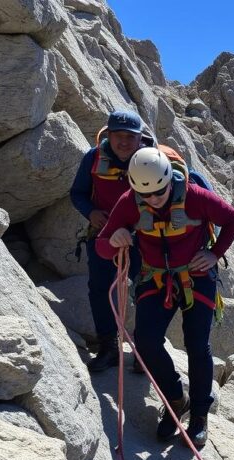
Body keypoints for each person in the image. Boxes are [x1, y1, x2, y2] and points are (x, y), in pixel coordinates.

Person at [96, 147, 234, 448]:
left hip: (197, 276)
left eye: (159, 192)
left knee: (197, 345)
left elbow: (233, 219)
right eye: (145, 195)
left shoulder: (194, 196)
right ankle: (176, 399)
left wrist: (214, 254)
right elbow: (102, 247)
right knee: (145, 341)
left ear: (168, 181)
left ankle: (199, 415)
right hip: (157, 277)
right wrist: (114, 240)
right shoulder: (130, 202)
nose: (153, 200)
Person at [70, 110, 146, 372]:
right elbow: (78, 193)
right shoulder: (94, 158)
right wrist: (91, 212)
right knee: (100, 289)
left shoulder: (150, 160)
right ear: (109, 135)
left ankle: (144, 350)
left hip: (142, 238)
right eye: (118, 135)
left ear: (140, 139)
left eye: (130, 136)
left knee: (147, 291)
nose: (123, 142)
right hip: (103, 235)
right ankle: (109, 347)